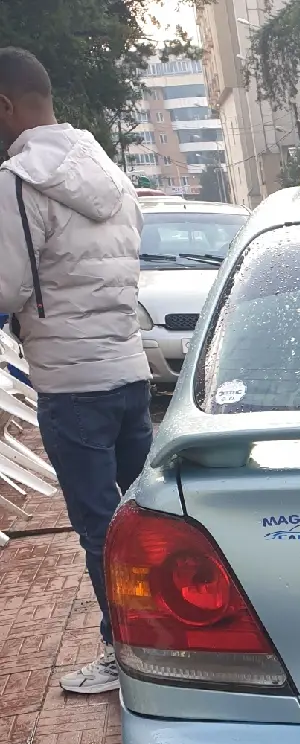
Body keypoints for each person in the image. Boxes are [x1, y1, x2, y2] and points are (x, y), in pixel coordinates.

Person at [0, 47, 152, 694]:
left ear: (4, 107)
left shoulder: (17, 180)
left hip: (70, 386)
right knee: (149, 520)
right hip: (130, 373)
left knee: (100, 529)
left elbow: (5, 287)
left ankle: (124, 653)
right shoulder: (109, 171)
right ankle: (166, 640)